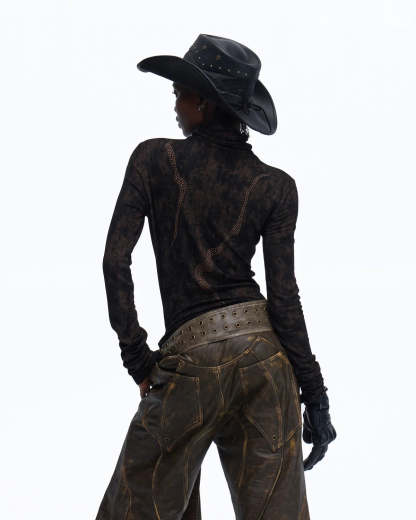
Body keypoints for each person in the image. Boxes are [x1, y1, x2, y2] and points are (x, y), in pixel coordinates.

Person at [95, 34, 336, 520]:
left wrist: (138, 360)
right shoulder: (276, 186)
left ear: (203, 104)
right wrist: (316, 396)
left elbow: (115, 261)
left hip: (191, 361)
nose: (175, 105)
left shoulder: (153, 159)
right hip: (266, 361)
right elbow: (284, 299)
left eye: (180, 94)